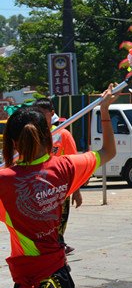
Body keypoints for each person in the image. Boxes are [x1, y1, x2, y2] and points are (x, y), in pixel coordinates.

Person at [0, 86, 118, 288]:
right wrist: (104, 111)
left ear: (13, 143)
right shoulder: (65, 167)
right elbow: (108, 152)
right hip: (60, 279)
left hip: (28, 282)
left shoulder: (4, 181)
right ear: (48, 136)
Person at [32, 99, 81, 255]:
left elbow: (74, 163)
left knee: (59, 222)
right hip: (39, 189)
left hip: (61, 189)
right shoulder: (33, 134)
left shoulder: (62, 134)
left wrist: (77, 190)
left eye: (43, 113)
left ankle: (58, 249)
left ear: (52, 113)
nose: (39, 116)